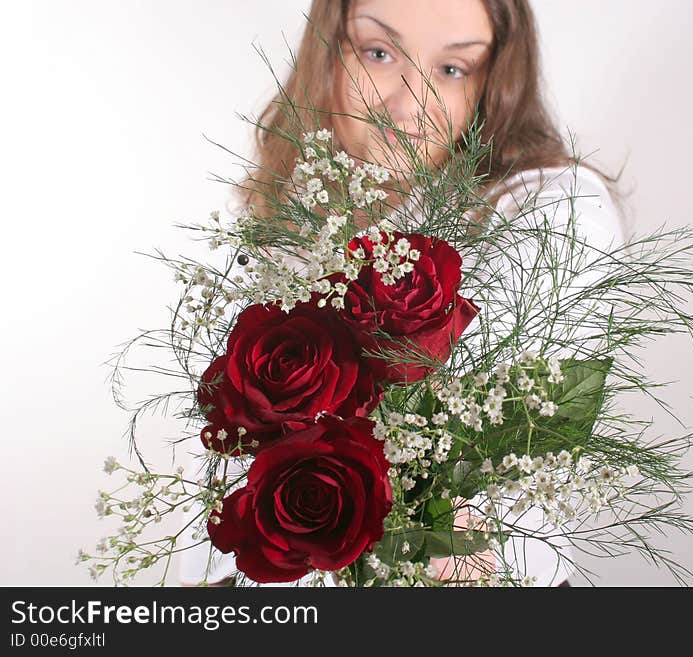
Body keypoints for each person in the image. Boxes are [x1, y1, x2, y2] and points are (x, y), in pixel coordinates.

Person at [178, 0, 627, 587]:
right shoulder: (285, 216)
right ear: (328, 52)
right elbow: (218, 469)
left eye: (453, 69)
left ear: (495, 83)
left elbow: (476, 488)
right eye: (380, 53)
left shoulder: (555, 210)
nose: (411, 102)